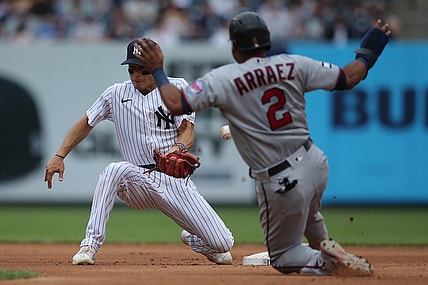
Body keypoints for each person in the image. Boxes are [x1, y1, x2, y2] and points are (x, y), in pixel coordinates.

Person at [133, 11, 391, 275]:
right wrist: (368, 52)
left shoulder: (224, 78)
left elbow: (175, 104)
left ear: (234, 47)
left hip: (281, 178)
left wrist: (157, 70)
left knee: (283, 256)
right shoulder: (294, 64)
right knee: (310, 217)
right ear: (266, 42)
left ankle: (327, 260)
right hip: (315, 163)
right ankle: (329, 253)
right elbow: (350, 77)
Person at [44, 39, 234, 266]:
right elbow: (86, 122)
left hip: (174, 181)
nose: (136, 76)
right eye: (132, 69)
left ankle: (192, 237)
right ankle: (89, 245)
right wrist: (59, 155)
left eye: (144, 70)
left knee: (223, 245)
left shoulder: (177, 88)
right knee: (114, 169)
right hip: (137, 181)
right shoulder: (115, 93)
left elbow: (188, 131)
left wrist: (178, 148)